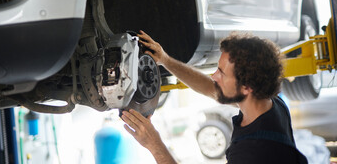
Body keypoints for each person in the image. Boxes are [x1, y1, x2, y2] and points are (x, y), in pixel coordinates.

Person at [121, 31, 308, 164]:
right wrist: (166, 60)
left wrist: (154, 145)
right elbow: (211, 88)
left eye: (221, 73)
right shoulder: (272, 104)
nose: (214, 76)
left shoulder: (252, 153)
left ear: (247, 87)